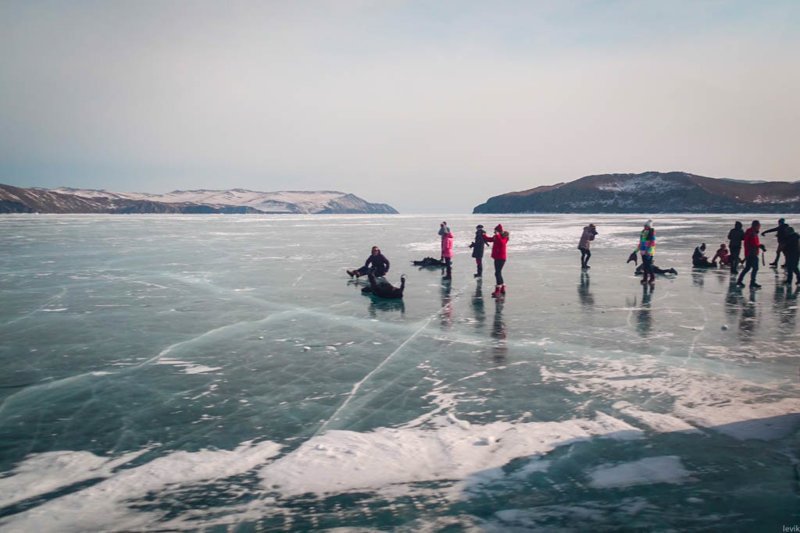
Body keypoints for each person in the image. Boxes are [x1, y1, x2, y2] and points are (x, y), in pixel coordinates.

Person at [737, 220, 767, 289]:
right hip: (752, 253)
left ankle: (740, 280)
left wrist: (759, 246)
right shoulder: (751, 233)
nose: (759, 227)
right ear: (755, 226)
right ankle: (752, 282)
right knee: (755, 268)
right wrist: (760, 246)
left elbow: (753, 243)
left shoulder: (750, 232)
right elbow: (753, 244)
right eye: (759, 226)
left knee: (747, 268)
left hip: (750, 253)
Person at [484, 223, 509, 297]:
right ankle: (503, 287)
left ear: (499, 231)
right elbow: (490, 239)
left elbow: (502, 243)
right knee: (498, 273)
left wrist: (497, 235)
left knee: (497, 273)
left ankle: (498, 290)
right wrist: (484, 235)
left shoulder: (504, 237)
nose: (494, 232)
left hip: (501, 258)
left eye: (495, 231)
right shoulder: (496, 237)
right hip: (497, 257)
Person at [635, 220, 656, 284]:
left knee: (648, 265)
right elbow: (641, 242)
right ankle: (645, 278)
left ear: (649, 226)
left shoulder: (652, 232)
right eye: (644, 225)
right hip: (643, 251)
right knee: (645, 265)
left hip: (649, 252)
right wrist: (635, 251)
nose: (644, 226)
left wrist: (648, 250)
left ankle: (652, 277)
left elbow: (652, 242)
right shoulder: (643, 232)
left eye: (646, 225)